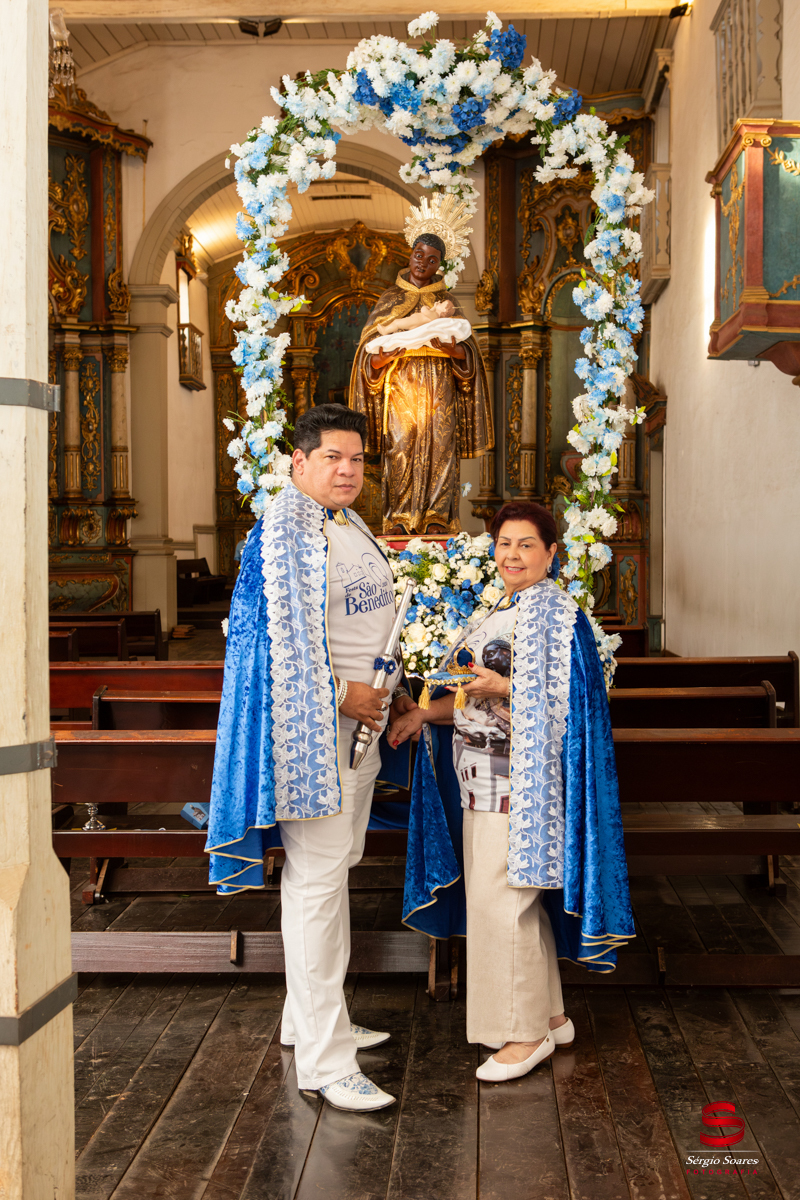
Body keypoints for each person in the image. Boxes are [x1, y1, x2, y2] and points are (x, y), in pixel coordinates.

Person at [205, 404, 417, 1112]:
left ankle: (311, 1023)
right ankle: (326, 1063)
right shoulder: (283, 533)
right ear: (298, 462)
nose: (348, 470)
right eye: (332, 457)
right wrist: (342, 693)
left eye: (356, 459)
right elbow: (266, 646)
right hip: (315, 738)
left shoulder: (346, 521)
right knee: (319, 884)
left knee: (327, 875)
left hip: (362, 730)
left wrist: (389, 692)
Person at [389, 501, 635, 1083]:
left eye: (526, 545)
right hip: (481, 777)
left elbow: (570, 707)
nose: (512, 555)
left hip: (519, 783)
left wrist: (504, 686)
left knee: (501, 903)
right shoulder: (505, 606)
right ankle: (549, 1016)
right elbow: (471, 693)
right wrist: (425, 715)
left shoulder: (554, 613)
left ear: (551, 553)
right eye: (504, 543)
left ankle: (524, 1035)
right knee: (513, 900)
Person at [349, 200, 493, 536]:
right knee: (399, 447)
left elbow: (470, 356)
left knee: (441, 449)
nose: (423, 263)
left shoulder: (448, 302)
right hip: (400, 387)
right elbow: (367, 355)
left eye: (432, 260)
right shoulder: (389, 300)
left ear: (439, 264)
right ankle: (400, 518)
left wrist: (454, 351)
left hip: (440, 389)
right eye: (419, 255)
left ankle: (436, 518)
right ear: (410, 253)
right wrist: (381, 360)